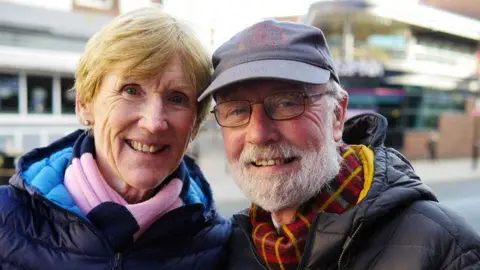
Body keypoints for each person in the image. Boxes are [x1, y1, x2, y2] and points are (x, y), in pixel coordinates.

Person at [198, 20, 480, 269]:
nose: (258, 134)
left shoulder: (445, 249)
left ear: (337, 115)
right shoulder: (226, 250)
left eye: (287, 102)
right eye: (237, 110)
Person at [0, 8, 230, 270]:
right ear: (84, 105)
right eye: (131, 90)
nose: (154, 123)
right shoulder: (6, 220)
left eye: (177, 98)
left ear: (194, 123)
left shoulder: (218, 245)